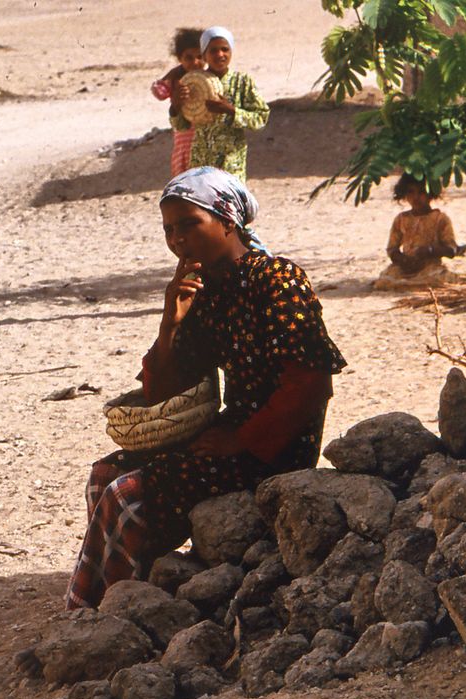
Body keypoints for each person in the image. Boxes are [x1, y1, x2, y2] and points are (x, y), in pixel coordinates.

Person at [66, 167, 345, 610]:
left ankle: (105, 612)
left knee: (128, 494)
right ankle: (123, 591)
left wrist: (241, 439)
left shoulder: (277, 279)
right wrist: (170, 322)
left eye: (189, 224)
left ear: (228, 221)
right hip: (229, 433)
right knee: (105, 474)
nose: (177, 239)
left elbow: (311, 384)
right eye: (169, 230)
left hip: (275, 445)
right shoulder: (207, 290)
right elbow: (167, 392)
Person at [171, 26, 269, 182]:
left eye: (225, 49)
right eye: (213, 51)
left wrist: (231, 111)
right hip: (200, 163)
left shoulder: (242, 82)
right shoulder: (193, 83)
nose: (220, 55)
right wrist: (175, 106)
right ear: (204, 55)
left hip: (231, 163)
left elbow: (261, 119)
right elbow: (182, 126)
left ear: (231, 52)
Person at [375, 173, 459, 289]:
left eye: (421, 192)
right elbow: (392, 248)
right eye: (411, 192)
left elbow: (451, 250)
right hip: (406, 267)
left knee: (436, 278)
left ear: (431, 194)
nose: (416, 197)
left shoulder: (441, 219)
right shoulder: (401, 219)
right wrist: (403, 259)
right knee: (385, 280)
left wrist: (429, 251)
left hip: (430, 266)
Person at [150, 27, 205, 177]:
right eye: (189, 58)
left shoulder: (211, 77)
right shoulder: (176, 79)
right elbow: (159, 93)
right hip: (184, 139)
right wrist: (171, 76)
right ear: (180, 59)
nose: (195, 62)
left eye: (200, 56)